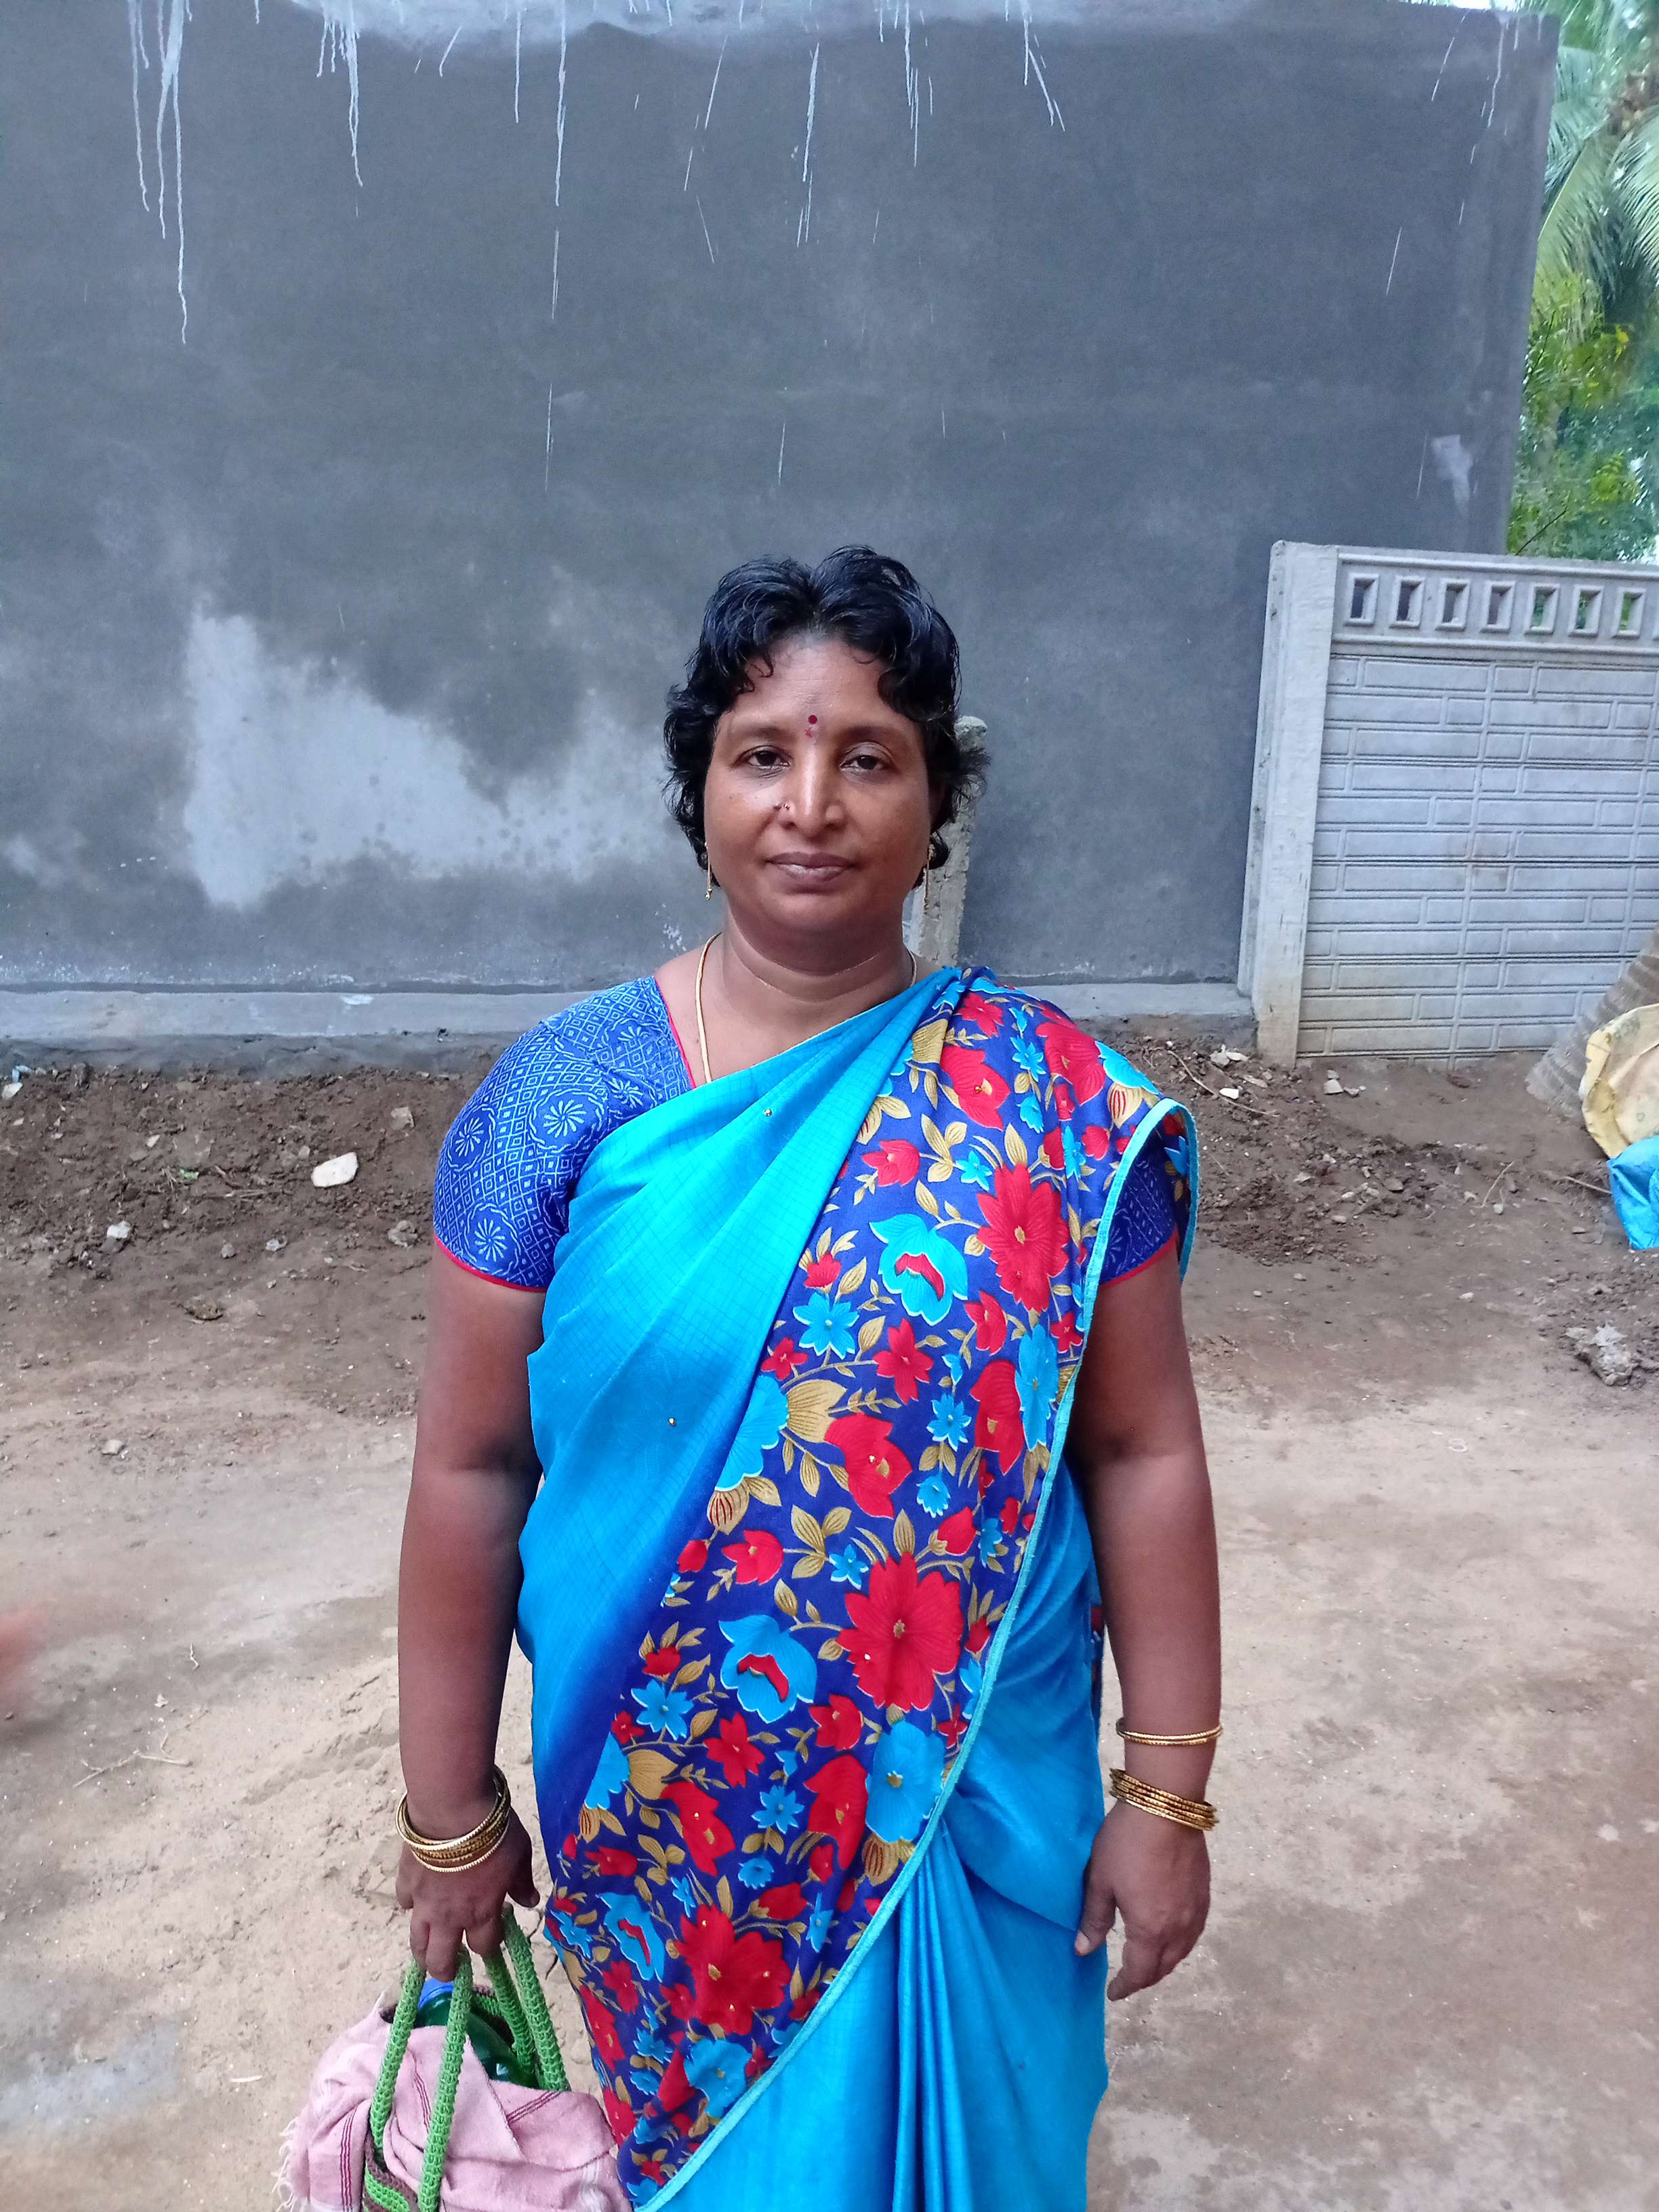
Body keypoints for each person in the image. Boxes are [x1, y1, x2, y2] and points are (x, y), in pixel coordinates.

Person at [394, 547, 1221, 2209]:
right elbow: (473, 1469)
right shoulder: (565, 1106)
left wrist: (1168, 1790)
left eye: (870, 758)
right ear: (699, 792)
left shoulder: (1055, 1107)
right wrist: (448, 1810)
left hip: (979, 1789)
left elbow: (1141, 1453)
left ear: (937, 801)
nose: (812, 804)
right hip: (675, 1803)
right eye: (763, 753)